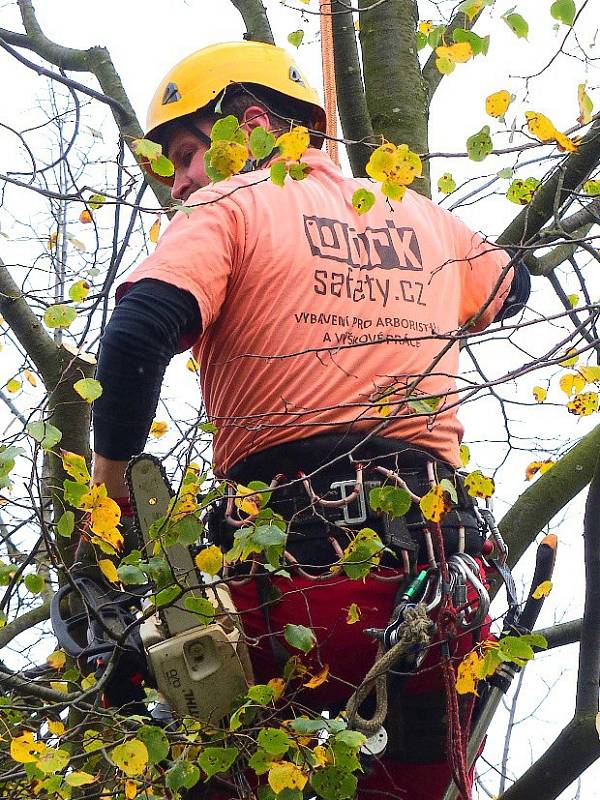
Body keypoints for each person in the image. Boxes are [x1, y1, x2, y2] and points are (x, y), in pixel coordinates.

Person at [90, 41, 530, 800]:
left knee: (226, 773)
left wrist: (112, 486)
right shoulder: (428, 220)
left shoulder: (227, 206)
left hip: (289, 587)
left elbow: (135, 334)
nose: (182, 178)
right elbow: (513, 288)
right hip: (433, 589)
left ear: (255, 124)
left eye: (190, 152)